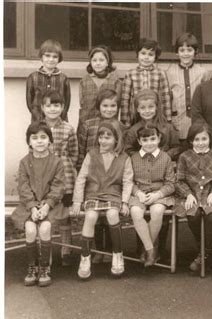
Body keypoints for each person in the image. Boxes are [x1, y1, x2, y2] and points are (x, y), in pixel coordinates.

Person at [72, 120, 133, 279]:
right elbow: (81, 178)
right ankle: (85, 258)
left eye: (108, 137)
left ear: (116, 139)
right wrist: (77, 201)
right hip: (94, 193)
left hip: (113, 194)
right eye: (101, 137)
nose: (103, 140)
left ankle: (117, 255)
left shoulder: (124, 158)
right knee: (91, 216)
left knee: (113, 214)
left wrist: (125, 202)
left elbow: (127, 181)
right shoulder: (91, 154)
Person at [12, 122, 65, 287]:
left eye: (43, 137)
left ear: (50, 141)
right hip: (29, 205)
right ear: (29, 142)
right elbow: (23, 187)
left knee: (44, 228)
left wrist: (47, 205)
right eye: (34, 138)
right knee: (30, 229)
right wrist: (33, 207)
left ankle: (44, 268)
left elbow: (58, 187)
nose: (39, 141)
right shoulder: (24, 162)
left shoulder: (57, 162)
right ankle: (32, 267)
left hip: (51, 205)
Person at [77, 88, 125, 264]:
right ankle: (98, 250)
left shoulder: (121, 127)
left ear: (118, 107)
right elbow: (81, 151)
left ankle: (113, 250)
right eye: (105, 105)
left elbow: (122, 154)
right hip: (92, 177)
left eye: (113, 105)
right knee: (94, 216)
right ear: (98, 106)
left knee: (110, 214)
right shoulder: (88, 125)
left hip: (112, 179)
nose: (109, 109)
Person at [175, 122, 212, 272]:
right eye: (196, 140)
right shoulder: (185, 156)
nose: (200, 143)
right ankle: (206, 248)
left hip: (211, 196)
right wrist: (188, 195)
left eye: (204, 139)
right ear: (190, 141)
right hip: (191, 195)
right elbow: (179, 180)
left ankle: (204, 252)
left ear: (210, 139)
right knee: (193, 215)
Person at [41, 90, 78, 266]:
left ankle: (66, 249)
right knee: (48, 214)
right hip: (45, 176)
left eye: (56, 105)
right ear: (42, 108)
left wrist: (66, 167)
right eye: (49, 105)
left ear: (62, 107)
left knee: (64, 214)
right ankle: (45, 252)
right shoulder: (39, 127)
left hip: (66, 177)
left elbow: (74, 154)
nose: (53, 109)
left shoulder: (69, 128)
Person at [129, 124, 175, 267]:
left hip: (159, 194)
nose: (149, 143)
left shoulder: (165, 158)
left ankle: (145, 249)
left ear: (159, 138)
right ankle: (150, 249)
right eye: (145, 140)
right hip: (139, 193)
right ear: (139, 141)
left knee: (157, 211)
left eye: (152, 139)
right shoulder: (133, 158)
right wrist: (138, 193)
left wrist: (158, 195)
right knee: (136, 212)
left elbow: (171, 184)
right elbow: (128, 181)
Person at [166, 32, 209, 149]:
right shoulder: (169, 72)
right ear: (177, 52)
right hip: (177, 120)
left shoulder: (202, 72)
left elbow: (205, 98)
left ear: (195, 52)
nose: (186, 54)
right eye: (182, 50)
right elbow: (168, 98)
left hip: (197, 121)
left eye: (189, 50)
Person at [121, 38, 172, 127]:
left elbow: (166, 98)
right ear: (137, 54)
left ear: (155, 57)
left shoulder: (161, 74)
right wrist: (124, 120)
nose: (146, 57)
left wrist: (167, 119)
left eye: (150, 54)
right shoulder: (130, 74)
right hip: (136, 117)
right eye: (143, 53)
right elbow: (125, 99)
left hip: (155, 116)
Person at [124, 88, 180, 160]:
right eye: (143, 108)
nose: (147, 111)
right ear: (137, 109)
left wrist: (164, 156)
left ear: (156, 107)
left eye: (150, 107)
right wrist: (143, 156)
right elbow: (128, 150)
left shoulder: (168, 128)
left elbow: (177, 148)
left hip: (164, 164)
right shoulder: (133, 130)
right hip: (142, 166)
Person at [26, 39, 71, 122]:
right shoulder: (32, 77)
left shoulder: (63, 78)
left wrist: (61, 116)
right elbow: (30, 102)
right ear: (41, 57)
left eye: (55, 56)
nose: (51, 59)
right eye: (47, 55)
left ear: (59, 58)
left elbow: (66, 102)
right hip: (38, 121)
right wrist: (37, 116)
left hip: (59, 120)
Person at [78, 45, 122, 128]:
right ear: (90, 62)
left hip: (109, 124)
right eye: (94, 60)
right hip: (88, 122)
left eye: (101, 60)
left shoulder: (116, 81)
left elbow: (117, 104)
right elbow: (82, 103)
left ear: (107, 63)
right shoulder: (84, 81)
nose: (98, 63)